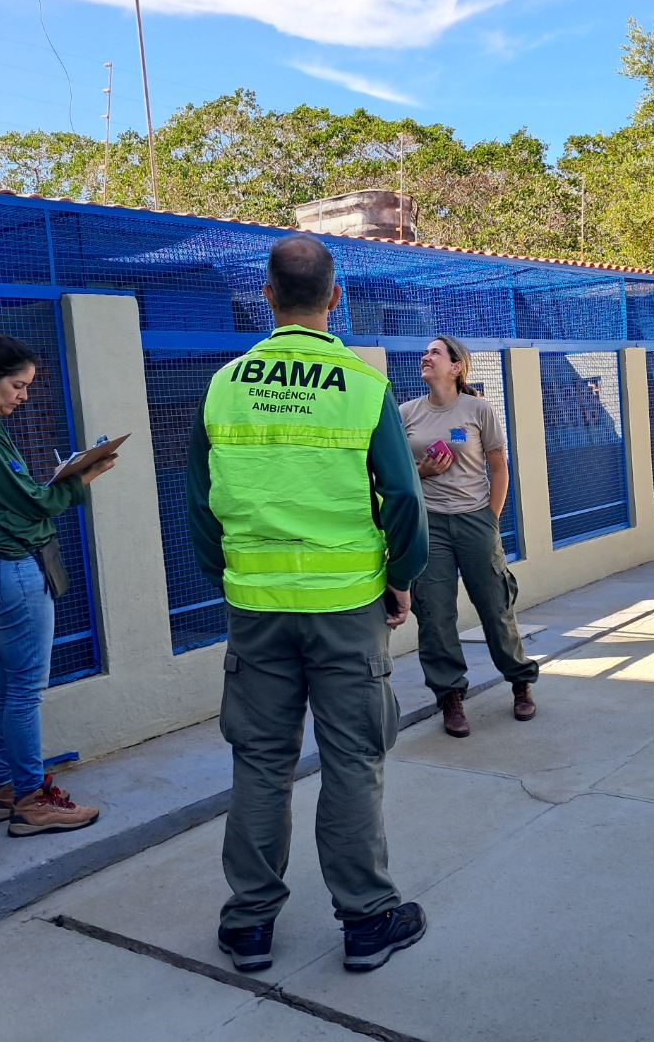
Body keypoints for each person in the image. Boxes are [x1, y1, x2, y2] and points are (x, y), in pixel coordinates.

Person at [186, 234, 429, 974]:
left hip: (255, 606)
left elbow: (197, 502)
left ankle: (249, 926)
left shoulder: (226, 383)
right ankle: (366, 921)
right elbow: (404, 498)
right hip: (346, 605)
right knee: (353, 758)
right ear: (334, 297)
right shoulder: (362, 386)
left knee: (260, 761)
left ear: (266, 297)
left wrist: (225, 579)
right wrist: (402, 576)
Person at [0, 325, 115, 837]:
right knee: (23, 692)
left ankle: (4, 790)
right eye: (17, 386)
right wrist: (79, 478)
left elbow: (18, 501)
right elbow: (34, 502)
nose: (22, 396)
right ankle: (30, 798)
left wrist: (61, 483)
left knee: (3, 689)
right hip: (11, 570)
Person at [401, 335, 539, 738]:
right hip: (430, 525)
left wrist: (490, 520)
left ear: (457, 366)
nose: (426, 357)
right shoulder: (406, 412)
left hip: (475, 520)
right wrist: (422, 473)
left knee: (495, 604)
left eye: (435, 353)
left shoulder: (478, 408)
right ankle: (451, 698)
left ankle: (519, 681)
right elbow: (394, 473)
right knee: (434, 615)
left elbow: (499, 467)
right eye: (425, 353)